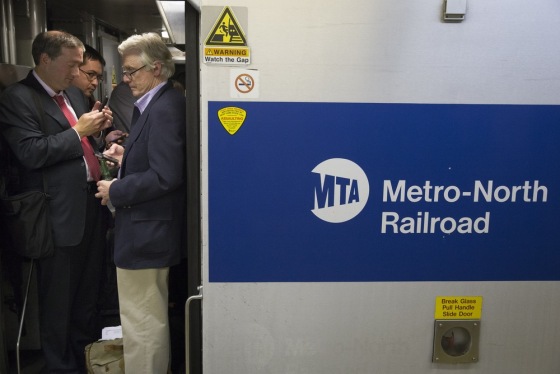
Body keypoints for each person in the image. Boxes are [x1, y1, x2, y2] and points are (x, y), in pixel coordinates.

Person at [0, 30, 113, 373]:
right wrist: (79, 131)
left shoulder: (75, 96)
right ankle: (59, 366)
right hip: (56, 217)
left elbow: (81, 147)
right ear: (45, 60)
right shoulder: (18, 99)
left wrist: (98, 138)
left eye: (81, 66)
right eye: (72, 65)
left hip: (91, 209)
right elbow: (31, 153)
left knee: (86, 297)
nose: (77, 73)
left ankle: (84, 359)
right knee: (58, 302)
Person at [95, 32, 186, 373]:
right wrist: (126, 158)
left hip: (147, 236)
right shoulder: (157, 103)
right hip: (148, 233)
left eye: (132, 72)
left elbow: (166, 175)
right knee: (143, 322)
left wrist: (115, 190)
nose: (127, 79)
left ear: (157, 68)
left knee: (143, 327)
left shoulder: (164, 107)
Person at [73, 43, 106, 109]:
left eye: (98, 77)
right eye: (90, 74)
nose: (95, 83)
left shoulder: (90, 103)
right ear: (74, 69)